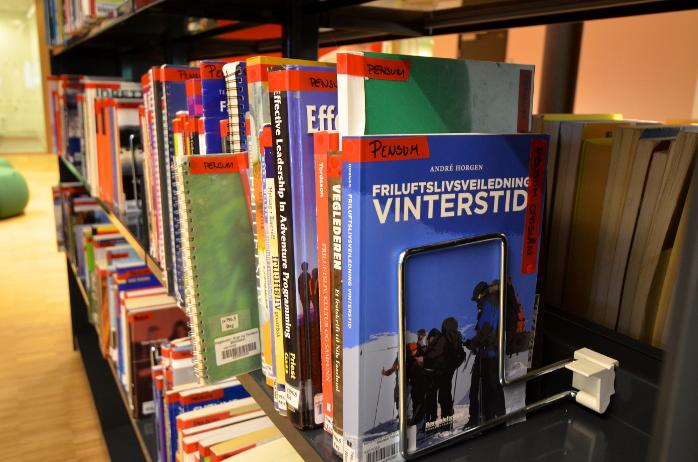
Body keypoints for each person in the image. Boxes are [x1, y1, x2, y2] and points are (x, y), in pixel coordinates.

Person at [464, 280, 506, 428]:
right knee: (492, 387)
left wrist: (473, 343)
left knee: (479, 388)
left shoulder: (489, 303)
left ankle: (480, 420)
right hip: (492, 353)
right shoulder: (495, 302)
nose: (477, 302)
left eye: (477, 298)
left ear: (482, 294)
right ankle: (496, 418)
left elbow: (486, 330)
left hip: (488, 354)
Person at [417, 328, 445, 422]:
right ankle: (430, 418)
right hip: (430, 376)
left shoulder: (435, 348)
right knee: (430, 398)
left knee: (431, 398)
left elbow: (426, 354)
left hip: (432, 376)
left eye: (430, 338)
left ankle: (431, 419)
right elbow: (424, 351)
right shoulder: (433, 347)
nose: (430, 340)